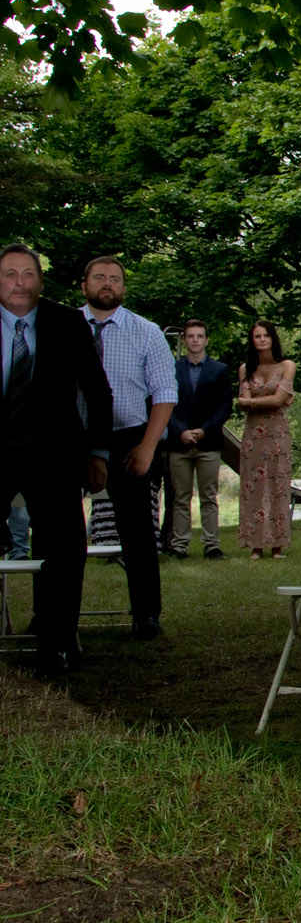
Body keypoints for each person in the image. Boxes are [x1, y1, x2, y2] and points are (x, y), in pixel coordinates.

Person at [0, 245, 112, 677]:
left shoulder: (66, 323)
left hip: (54, 456)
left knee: (65, 549)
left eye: (28, 274)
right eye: (9, 275)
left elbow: (98, 393)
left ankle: (58, 645)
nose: (19, 283)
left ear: (40, 281)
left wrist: (99, 453)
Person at [80, 256, 176, 640]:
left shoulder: (146, 331)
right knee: (56, 530)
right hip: (71, 437)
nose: (107, 284)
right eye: (99, 277)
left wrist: (148, 447)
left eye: (115, 279)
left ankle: (146, 614)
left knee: (138, 532)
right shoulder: (65, 327)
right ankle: (50, 613)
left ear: (123, 287)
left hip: (129, 438)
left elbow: (166, 393)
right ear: (84, 284)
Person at [165, 318, 233, 560]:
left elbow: (225, 407)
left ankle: (211, 545)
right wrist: (180, 430)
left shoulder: (219, 370)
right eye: (190, 336)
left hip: (209, 443)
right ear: (184, 339)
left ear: (206, 340)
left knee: (209, 496)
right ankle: (179, 545)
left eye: (199, 336)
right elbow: (165, 404)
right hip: (178, 442)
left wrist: (204, 430)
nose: (195, 340)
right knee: (180, 497)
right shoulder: (171, 368)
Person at [237, 319, 295, 560]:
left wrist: (252, 401)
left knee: (277, 486)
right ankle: (255, 544)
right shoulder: (245, 369)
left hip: (277, 434)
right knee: (253, 486)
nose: (261, 340)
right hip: (253, 436)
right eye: (256, 336)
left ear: (272, 338)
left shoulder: (287, 365)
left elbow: (279, 399)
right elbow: (242, 402)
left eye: (265, 336)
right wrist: (254, 402)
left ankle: (278, 544)